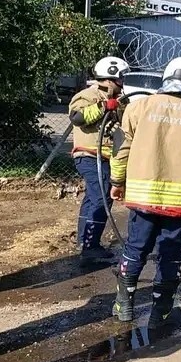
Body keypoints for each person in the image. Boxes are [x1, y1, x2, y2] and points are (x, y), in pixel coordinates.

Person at [109, 56, 181, 325]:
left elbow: (120, 150)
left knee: (135, 249)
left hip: (143, 198)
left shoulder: (139, 107)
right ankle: (161, 311)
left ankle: (124, 306)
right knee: (171, 254)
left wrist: (116, 182)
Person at [68, 56, 130, 266]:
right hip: (89, 155)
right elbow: (77, 117)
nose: (123, 80)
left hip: (105, 157)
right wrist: (105, 106)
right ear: (112, 76)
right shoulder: (87, 96)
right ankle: (90, 247)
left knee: (93, 198)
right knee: (101, 198)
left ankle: (85, 241)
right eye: (121, 76)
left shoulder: (120, 99)